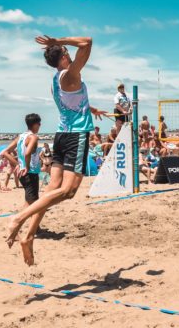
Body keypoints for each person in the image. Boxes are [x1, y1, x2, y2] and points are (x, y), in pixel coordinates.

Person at [6, 33, 106, 266]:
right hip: (75, 137)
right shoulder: (70, 75)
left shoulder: (55, 81)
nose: (70, 54)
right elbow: (88, 41)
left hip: (61, 135)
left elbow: (70, 100)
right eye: (66, 52)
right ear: (62, 57)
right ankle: (18, 219)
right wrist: (57, 41)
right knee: (68, 191)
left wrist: (90, 108)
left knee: (52, 188)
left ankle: (29, 236)